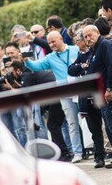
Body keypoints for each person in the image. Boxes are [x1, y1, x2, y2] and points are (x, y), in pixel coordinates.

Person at [25, 31, 84, 163]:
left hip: (81, 89)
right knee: (72, 123)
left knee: (91, 120)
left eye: (53, 41)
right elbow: (36, 66)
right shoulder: (50, 57)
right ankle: (78, 152)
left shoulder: (75, 49)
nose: (51, 44)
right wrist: (26, 61)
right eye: (49, 42)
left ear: (61, 39)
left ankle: (97, 150)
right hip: (64, 93)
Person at [82, 24, 112, 168]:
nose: (87, 39)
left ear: (97, 33)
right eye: (85, 37)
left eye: (90, 35)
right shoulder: (94, 49)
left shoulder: (105, 45)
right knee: (110, 126)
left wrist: (110, 88)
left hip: (111, 93)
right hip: (101, 94)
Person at [69, 30, 107, 168]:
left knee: (109, 125)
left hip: (100, 94)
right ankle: (99, 157)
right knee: (94, 129)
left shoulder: (95, 52)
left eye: (78, 41)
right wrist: (82, 66)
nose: (76, 44)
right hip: (87, 98)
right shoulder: (81, 57)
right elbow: (71, 70)